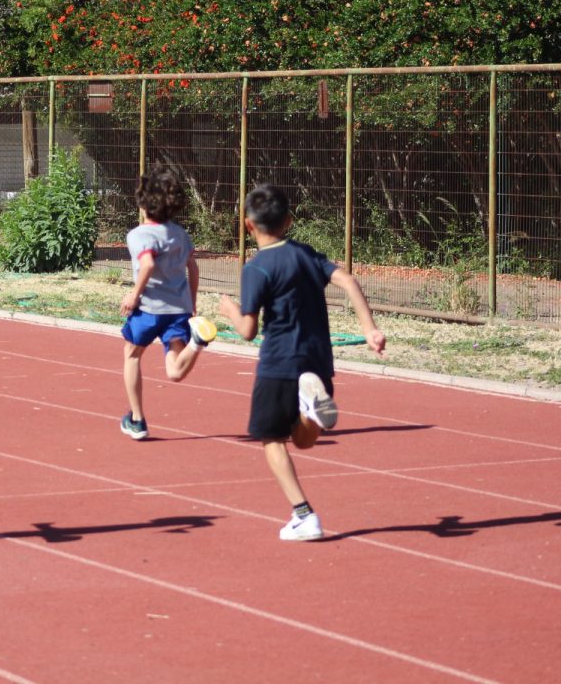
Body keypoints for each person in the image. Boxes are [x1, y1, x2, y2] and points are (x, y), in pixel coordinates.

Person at [218, 183, 386, 541]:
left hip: (280, 361)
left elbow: (247, 330)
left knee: (271, 439)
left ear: (248, 225)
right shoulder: (307, 254)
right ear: (289, 221)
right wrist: (370, 330)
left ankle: (303, 514)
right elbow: (349, 280)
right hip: (317, 361)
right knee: (304, 439)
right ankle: (310, 410)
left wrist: (229, 308)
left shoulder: (257, 268)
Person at [118, 166, 218, 440]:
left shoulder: (138, 235)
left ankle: (137, 420)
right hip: (179, 309)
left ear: (143, 202)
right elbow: (193, 268)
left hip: (150, 308)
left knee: (131, 354)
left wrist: (134, 295)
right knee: (174, 371)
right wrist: (193, 306)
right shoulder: (180, 235)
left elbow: (147, 263)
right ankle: (196, 342)